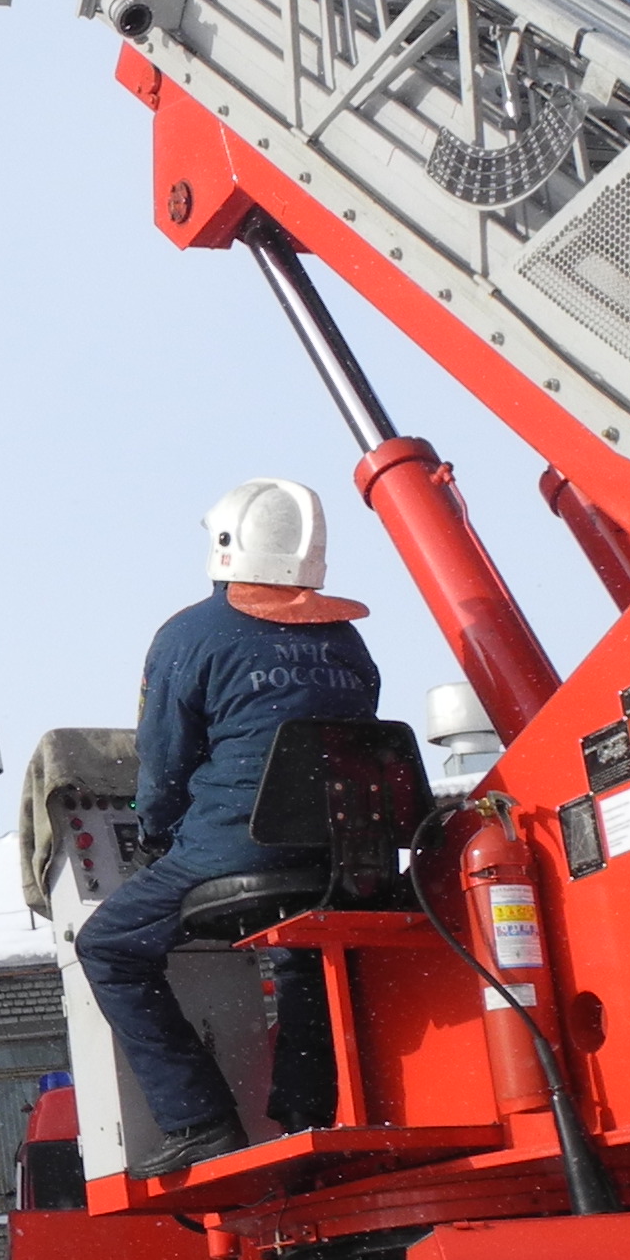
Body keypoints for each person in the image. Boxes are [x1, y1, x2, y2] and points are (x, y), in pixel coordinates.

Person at [74, 480, 382, 1177]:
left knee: (110, 947)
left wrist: (161, 837)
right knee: (304, 948)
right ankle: (312, 1110)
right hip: (338, 858)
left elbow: (164, 761)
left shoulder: (191, 636)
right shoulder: (347, 642)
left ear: (224, 544)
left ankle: (201, 1120)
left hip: (229, 850)